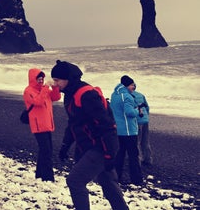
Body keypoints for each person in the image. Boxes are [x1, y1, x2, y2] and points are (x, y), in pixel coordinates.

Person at [51, 60, 128, 210]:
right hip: (89, 146)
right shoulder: (70, 94)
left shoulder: (86, 95)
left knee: (75, 181)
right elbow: (73, 124)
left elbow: (107, 126)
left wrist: (109, 155)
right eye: (54, 80)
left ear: (68, 79)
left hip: (101, 147)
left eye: (57, 80)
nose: (55, 84)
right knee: (108, 183)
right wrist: (65, 146)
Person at [23, 67, 61, 181]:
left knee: (45, 150)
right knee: (47, 151)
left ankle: (39, 174)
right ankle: (48, 178)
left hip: (48, 124)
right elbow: (38, 101)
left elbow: (56, 97)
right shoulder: (28, 91)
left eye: (42, 78)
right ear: (33, 79)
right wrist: (45, 87)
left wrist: (54, 87)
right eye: (38, 79)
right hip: (38, 126)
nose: (41, 81)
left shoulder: (44, 90)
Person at [111, 76, 143, 186]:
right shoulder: (127, 97)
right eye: (131, 85)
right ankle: (136, 179)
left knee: (119, 154)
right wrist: (137, 110)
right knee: (133, 155)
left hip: (118, 130)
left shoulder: (114, 95)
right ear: (126, 85)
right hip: (128, 131)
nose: (133, 87)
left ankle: (116, 177)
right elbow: (129, 113)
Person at [131, 84, 152, 166]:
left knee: (136, 141)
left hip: (137, 120)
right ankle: (148, 159)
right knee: (145, 140)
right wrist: (146, 116)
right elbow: (147, 107)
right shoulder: (140, 95)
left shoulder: (128, 96)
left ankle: (137, 160)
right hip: (145, 120)